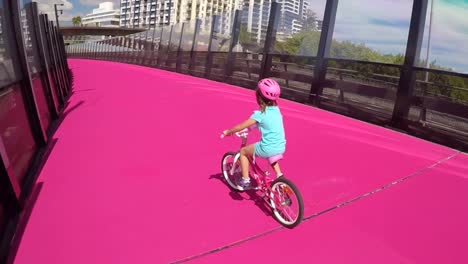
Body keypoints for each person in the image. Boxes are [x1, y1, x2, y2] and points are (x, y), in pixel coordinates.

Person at [223, 78, 286, 189]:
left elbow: (241, 126)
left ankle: (246, 180)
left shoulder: (259, 114)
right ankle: (280, 176)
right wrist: (250, 129)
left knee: (243, 151)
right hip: (281, 146)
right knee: (272, 155)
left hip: (267, 147)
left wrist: (229, 131)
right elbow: (265, 123)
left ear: (259, 96)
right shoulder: (276, 110)